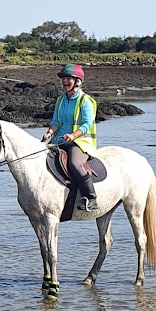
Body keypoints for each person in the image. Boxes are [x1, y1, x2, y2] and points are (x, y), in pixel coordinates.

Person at [41, 64, 98, 211]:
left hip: (80, 142)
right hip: (59, 140)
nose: (64, 81)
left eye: (68, 79)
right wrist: (49, 133)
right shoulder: (60, 100)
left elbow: (87, 124)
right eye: (63, 79)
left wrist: (73, 135)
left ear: (77, 81)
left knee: (74, 164)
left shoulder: (86, 101)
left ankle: (91, 198)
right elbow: (56, 122)